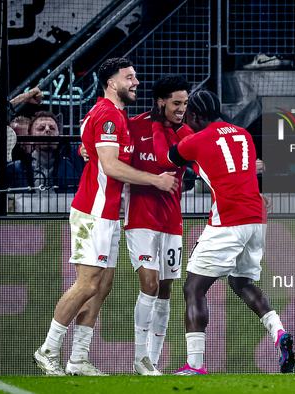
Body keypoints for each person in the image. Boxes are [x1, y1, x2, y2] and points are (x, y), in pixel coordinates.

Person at [33, 57, 179, 376]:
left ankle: (78, 359)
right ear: (112, 83)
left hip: (109, 213)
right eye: (129, 77)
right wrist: (156, 180)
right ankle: (48, 349)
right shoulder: (108, 115)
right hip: (93, 212)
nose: (135, 82)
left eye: (135, 77)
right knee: (86, 285)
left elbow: (92, 144)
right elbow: (111, 166)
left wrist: (90, 151)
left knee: (102, 286)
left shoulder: (110, 114)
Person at [153, 90, 295, 375]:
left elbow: (165, 158)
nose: (186, 117)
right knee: (242, 283)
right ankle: (279, 333)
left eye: (188, 113)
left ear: (198, 115)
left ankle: (194, 365)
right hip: (257, 218)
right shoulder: (243, 134)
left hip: (229, 220)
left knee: (193, 288)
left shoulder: (198, 139)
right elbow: (238, 171)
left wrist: (159, 124)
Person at [126, 74, 193, 375]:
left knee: (165, 290)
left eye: (185, 104)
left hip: (171, 220)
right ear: (161, 100)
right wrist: (83, 150)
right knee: (149, 284)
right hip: (140, 217)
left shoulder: (187, 134)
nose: (181, 109)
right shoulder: (134, 125)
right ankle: (140, 358)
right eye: (176, 103)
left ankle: (152, 360)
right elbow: (105, 151)